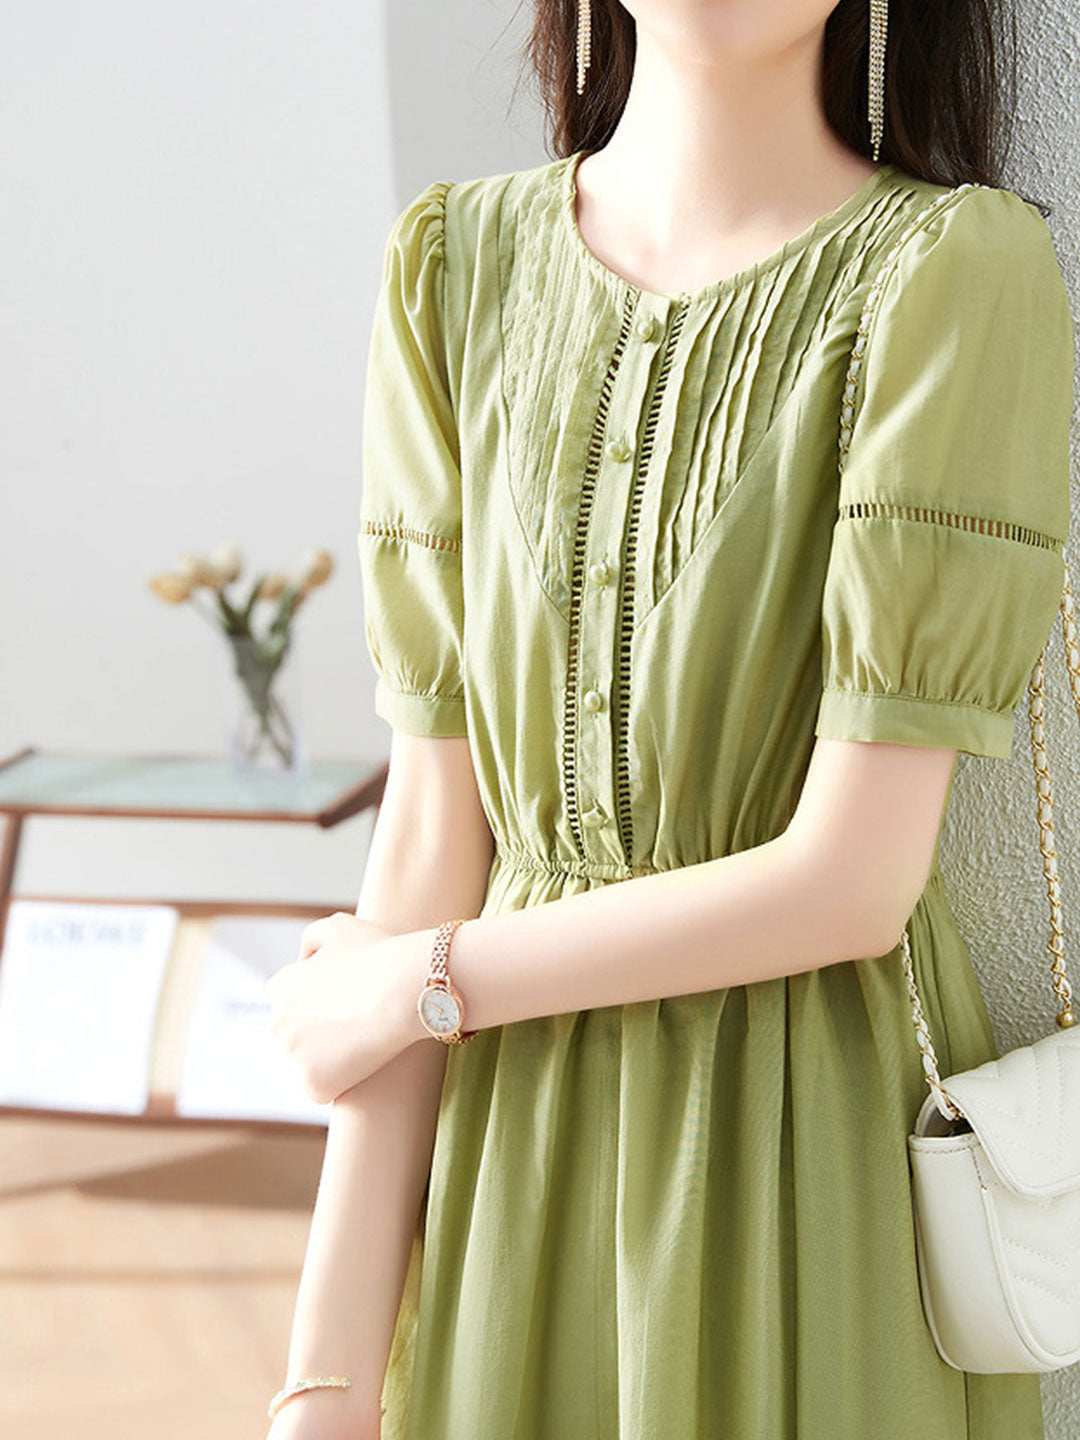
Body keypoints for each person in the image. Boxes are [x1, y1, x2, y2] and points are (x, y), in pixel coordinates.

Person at [263, 1, 1075, 1436]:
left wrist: (419, 986)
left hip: (795, 1155)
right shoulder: (450, 269)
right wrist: (322, 1379)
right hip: (508, 1168)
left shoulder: (951, 270)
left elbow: (850, 883)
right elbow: (429, 844)